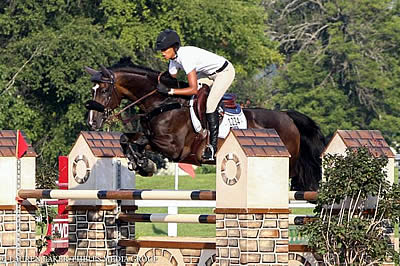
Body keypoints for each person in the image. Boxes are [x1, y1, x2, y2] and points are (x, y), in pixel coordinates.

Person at [155, 29, 235, 161]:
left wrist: (170, 91)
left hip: (224, 72)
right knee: (192, 99)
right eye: (161, 50)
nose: (162, 53)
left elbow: (192, 89)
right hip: (207, 74)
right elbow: (171, 78)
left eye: (164, 49)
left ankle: (212, 148)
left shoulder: (186, 58)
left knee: (210, 105)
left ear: (174, 48)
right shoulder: (173, 59)